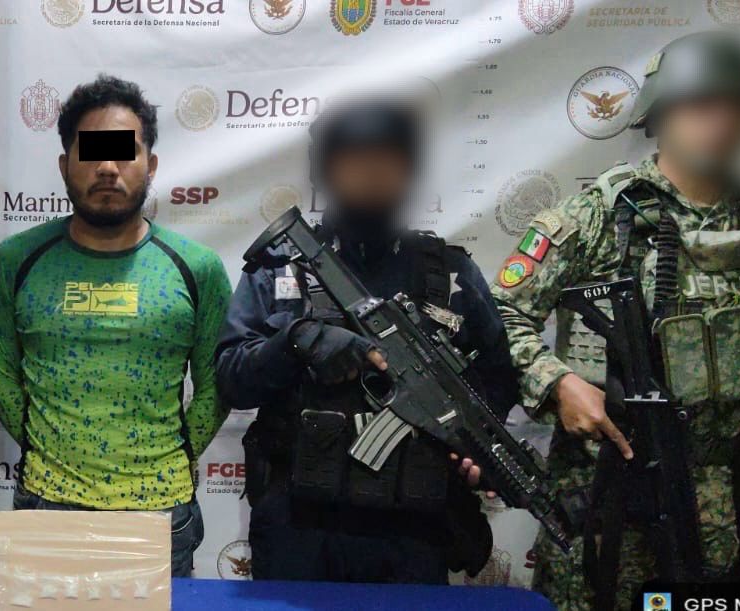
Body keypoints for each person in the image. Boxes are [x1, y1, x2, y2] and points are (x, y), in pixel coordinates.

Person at [491, 32, 740, 610]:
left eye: (736, 107)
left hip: (719, 506)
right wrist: (558, 383)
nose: (721, 122)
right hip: (604, 496)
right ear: (662, 115)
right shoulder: (602, 213)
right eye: (701, 105)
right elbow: (501, 314)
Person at [214, 99, 518, 583]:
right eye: (354, 160)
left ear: (410, 169)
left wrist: (470, 448)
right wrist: (296, 342)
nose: (372, 173)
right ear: (324, 171)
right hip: (299, 527)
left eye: (387, 160)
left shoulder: (449, 274)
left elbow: (498, 381)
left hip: (414, 530)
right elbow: (232, 379)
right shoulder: (282, 270)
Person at [0, 75, 231, 577]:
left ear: (151, 165)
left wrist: (172, 457)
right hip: (46, 504)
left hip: (160, 513)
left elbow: (217, 383)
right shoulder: (17, 259)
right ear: (64, 165)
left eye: (124, 152)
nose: (108, 168)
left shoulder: (197, 267)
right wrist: (43, 445)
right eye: (92, 151)